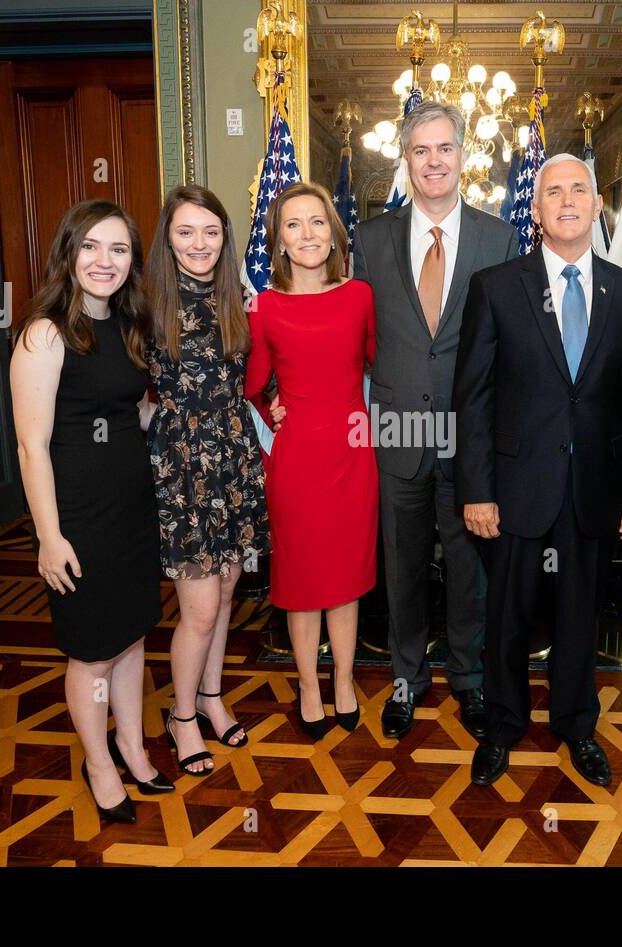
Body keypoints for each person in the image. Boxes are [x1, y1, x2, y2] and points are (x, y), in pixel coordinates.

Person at [454, 154, 622, 788]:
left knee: (580, 618)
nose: (567, 200)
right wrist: (477, 489)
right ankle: (502, 725)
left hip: (595, 491)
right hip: (516, 490)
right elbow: (474, 398)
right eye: (553, 192)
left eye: (580, 190)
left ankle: (577, 725)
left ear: (598, 205)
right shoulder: (496, 286)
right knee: (507, 619)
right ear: (537, 211)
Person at [352, 100, 519, 741]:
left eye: (444, 148)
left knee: (469, 570)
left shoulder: (498, 238)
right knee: (404, 569)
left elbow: (509, 345)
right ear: (405, 158)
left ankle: (470, 682)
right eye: (419, 151)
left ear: (464, 154)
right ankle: (405, 680)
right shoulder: (369, 240)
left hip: (470, 436)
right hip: (396, 436)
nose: (433, 162)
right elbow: (357, 341)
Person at [10, 199, 172, 827]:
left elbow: (122, 413)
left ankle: (131, 745)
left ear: (132, 261)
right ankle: (98, 762)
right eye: (91, 247)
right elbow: (31, 445)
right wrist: (49, 537)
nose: (104, 261)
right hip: (79, 519)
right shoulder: (46, 331)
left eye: (119, 249)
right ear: (68, 253)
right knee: (92, 653)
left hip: (132, 511)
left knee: (131, 637)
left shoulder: (127, 324)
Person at [143, 185, 272, 775]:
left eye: (211, 232)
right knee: (196, 608)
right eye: (186, 232)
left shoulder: (236, 300)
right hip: (182, 468)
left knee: (224, 595)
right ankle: (182, 718)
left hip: (233, 457)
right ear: (167, 239)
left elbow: (255, 378)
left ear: (225, 239)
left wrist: (280, 405)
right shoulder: (143, 306)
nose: (199, 244)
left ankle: (212, 699)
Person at [245, 181, 377, 740]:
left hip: (352, 455)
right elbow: (251, 384)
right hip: (296, 461)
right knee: (301, 582)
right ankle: (307, 684)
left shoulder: (361, 296)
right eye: (293, 224)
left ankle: (344, 681)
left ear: (333, 232)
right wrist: (270, 408)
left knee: (344, 579)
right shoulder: (264, 306)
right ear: (277, 240)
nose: (306, 234)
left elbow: (378, 363)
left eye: (317, 222)